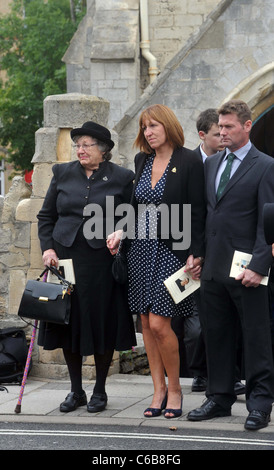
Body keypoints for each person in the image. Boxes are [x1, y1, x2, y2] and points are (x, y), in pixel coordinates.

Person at [107, 104, 206, 418]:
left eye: (153, 126)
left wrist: (196, 252)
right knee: (146, 325)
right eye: (144, 127)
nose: (148, 133)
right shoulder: (142, 160)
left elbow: (198, 212)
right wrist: (120, 232)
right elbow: (135, 209)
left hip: (172, 251)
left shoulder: (189, 160)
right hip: (139, 251)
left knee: (161, 324)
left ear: (167, 126)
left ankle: (175, 389)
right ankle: (158, 389)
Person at [37, 121, 136, 414]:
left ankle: (100, 390)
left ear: (102, 149)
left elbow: (131, 217)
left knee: (102, 322)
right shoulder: (62, 173)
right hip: (65, 260)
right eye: (77, 144)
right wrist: (48, 248)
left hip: (101, 262)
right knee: (69, 322)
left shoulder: (123, 178)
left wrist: (121, 232)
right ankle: (76, 390)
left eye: (86, 145)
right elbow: (46, 217)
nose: (80, 149)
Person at [187, 99, 274, 431]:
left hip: (249, 272)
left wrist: (260, 266)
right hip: (212, 270)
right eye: (219, 127)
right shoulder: (211, 165)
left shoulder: (265, 166)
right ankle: (220, 397)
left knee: (255, 339)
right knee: (217, 336)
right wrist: (196, 254)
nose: (221, 132)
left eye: (228, 127)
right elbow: (204, 214)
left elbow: (269, 222)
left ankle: (259, 403)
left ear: (247, 126)